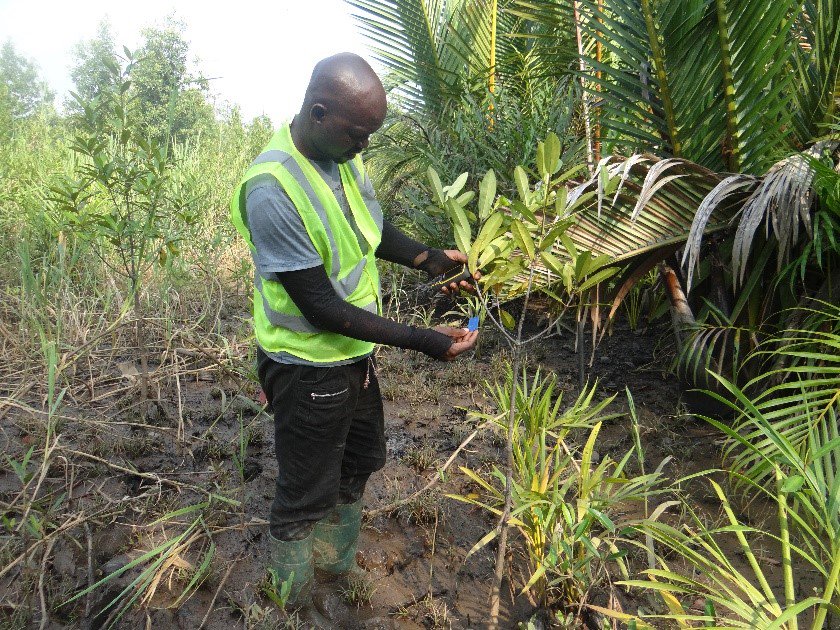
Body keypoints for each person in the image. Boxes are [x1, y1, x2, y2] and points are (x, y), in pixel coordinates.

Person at [229, 52, 479, 615]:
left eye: (370, 135)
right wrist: (423, 339)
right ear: (319, 112)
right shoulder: (271, 189)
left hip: (353, 356)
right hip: (307, 365)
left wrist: (429, 258)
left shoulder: (340, 155)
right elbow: (321, 308)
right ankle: (294, 605)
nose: (364, 145)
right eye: (358, 133)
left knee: (359, 460)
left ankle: (334, 568)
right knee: (303, 492)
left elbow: (369, 228)